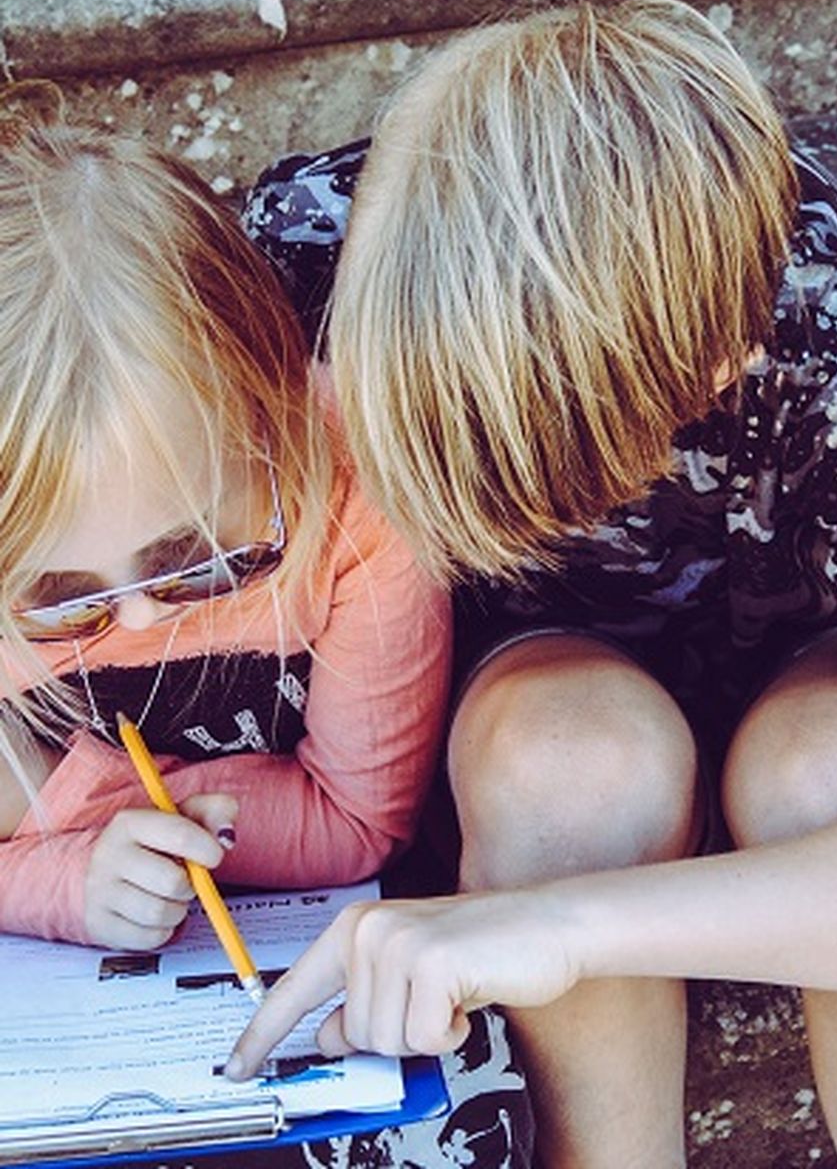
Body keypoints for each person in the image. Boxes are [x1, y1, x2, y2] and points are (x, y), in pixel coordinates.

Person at [231, 0, 837, 1169]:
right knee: (568, 770)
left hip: (806, 667)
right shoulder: (307, 250)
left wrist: (564, 927)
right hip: (532, 695)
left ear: (719, 359)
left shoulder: (830, 316)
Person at [0, 101, 533, 1169]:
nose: (143, 620)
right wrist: (61, 880)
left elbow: (355, 823)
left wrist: (52, 797)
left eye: (198, 556)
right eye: (61, 597)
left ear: (278, 420)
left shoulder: (362, 495)